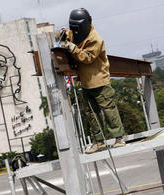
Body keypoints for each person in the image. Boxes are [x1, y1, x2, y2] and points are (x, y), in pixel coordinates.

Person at [59, 8, 126, 154]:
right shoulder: (75, 34)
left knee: (108, 110)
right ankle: (99, 141)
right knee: (91, 113)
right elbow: (66, 36)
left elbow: (87, 58)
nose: (74, 32)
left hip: (99, 82)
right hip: (85, 82)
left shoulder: (95, 39)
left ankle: (118, 138)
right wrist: (62, 35)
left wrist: (71, 47)